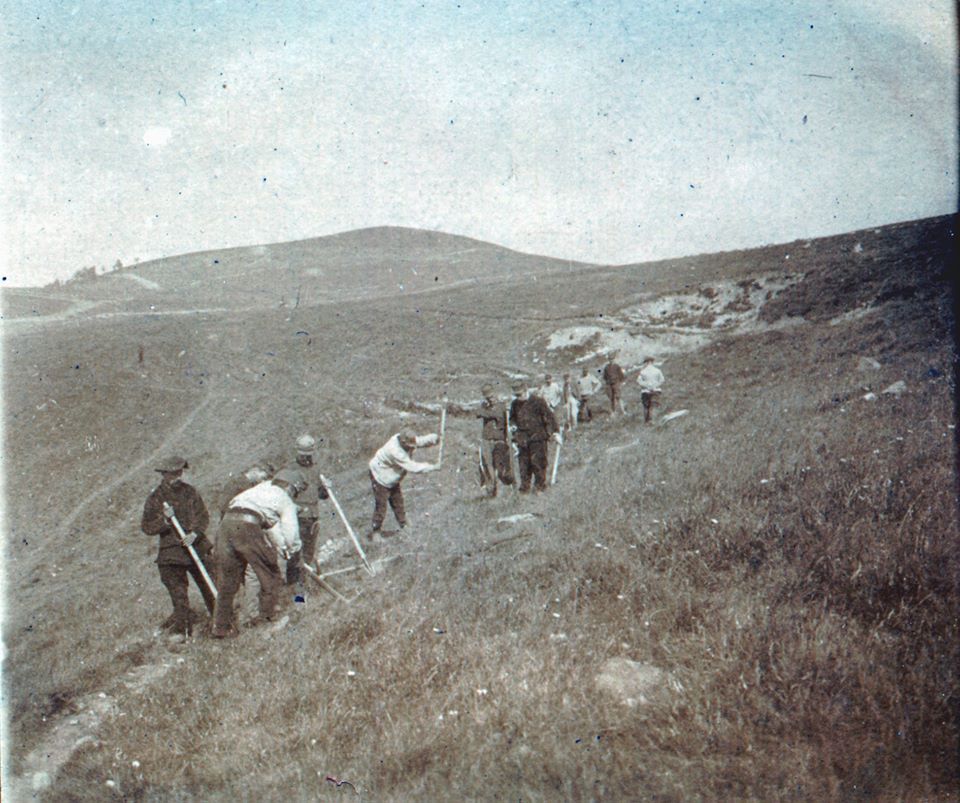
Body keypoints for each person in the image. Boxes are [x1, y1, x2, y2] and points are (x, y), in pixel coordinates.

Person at [212, 469, 305, 637]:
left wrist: (282, 547)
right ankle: (267, 620)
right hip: (247, 526)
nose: (293, 496)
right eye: (295, 492)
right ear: (291, 487)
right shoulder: (284, 499)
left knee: (227, 581)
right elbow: (291, 533)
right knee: (271, 573)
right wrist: (293, 550)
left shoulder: (260, 489)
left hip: (226, 526)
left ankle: (220, 628)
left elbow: (271, 527)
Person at [140, 456, 215, 640]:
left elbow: (203, 516)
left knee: (210, 585)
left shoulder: (190, 492)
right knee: (179, 595)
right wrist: (165, 520)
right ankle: (183, 631)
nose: (178, 477)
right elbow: (147, 526)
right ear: (164, 474)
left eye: (180, 473)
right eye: (173, 473)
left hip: (196, 548)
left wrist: (195, 534)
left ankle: (221, 623)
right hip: (172, 554)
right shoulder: (156, 498)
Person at [367, 428, 440, 538]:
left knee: (398, 502)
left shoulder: (403, 439)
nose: (412, 447)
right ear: (403, 443)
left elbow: (418, 441)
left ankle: (404, 525)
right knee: (381, 506)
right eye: (410, 446)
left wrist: (433, 438)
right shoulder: (395, 451)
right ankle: (376, 532)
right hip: (380, 477)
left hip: (391, 476)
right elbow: (412, 467)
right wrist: (432, 467)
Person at [283, 435, 329, 585]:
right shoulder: (290, 469)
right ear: (297, 452)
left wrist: (326, 488)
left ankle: (303, 587)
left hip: (313, 517)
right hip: (296, 517)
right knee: (295, 554)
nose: (306, 458)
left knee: (308, 552)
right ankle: (293, 587)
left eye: (308, 454)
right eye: (303, 454)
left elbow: (322, 495)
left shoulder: (316, 468)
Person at [510, 380, 560, 493]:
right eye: (516, 395)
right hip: (522, 439)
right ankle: (524, 489)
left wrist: (554, 432)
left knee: (538, 463)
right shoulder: (514, 404)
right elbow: (512, 419)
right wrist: (513, 427)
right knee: (524, 465)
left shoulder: (538, 402)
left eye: (520, 394)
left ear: (526, 390)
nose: (518, 397)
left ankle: (540, 487)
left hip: (538, 438)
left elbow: (549, 417)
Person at [476, 384, 512, 497]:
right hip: (487, 439)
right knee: (487, 465)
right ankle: (491, 491)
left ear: (495, 394)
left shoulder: (502, 406)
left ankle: (506, 483)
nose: (490, 400)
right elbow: (477, 413)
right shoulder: (484, 407)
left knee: (500, 466)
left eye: (491, 397)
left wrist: (487, 412)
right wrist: (485, 410)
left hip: (499, 440)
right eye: (487, 398)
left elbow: (498, 416)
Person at [637, 357, 665, 424]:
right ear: (652, 362)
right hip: (655, 390)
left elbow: (638, 381)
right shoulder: (657, 370)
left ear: (646, 363)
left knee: (646, 406)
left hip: (645, 391)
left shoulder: (642, 372)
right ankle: (652, 421)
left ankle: (646, 421)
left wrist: (646, 386)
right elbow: (662, 380)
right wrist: (655, 385)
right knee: (654, 405)